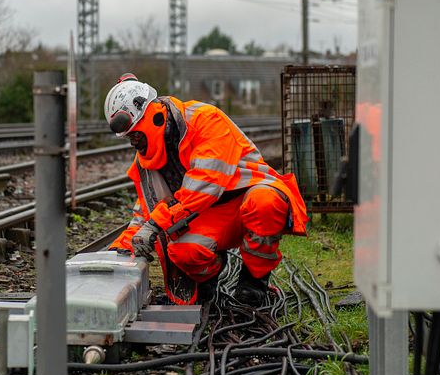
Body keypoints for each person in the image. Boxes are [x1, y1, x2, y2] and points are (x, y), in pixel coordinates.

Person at [105, 73, 308, 306]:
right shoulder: (147, 161)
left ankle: (254, 283)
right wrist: (118, 250)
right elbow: (145, 211)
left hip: (246, 198)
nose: (133, 142)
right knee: (183, 252)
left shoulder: (205, 120)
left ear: (155, 118)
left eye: (135, 134)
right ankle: (209, 279)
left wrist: (156, 224)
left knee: (264, 202)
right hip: (211, 216)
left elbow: (205, 184)